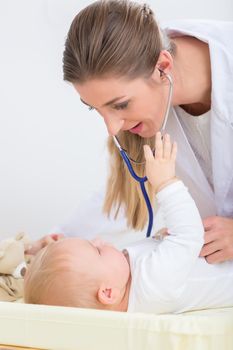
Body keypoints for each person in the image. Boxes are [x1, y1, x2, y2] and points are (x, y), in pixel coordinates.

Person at [59, 0, 233, 264]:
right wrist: (61, 242)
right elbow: (125, 195)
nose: (112, 127)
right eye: (95, 109)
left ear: (163, 66)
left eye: (120, 105)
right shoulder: (148, 114)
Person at [24, 133, 233, 313]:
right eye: (97, 251)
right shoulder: (152, 284)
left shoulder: (125, 279)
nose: (99, 241)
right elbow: (190, 236)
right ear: (108, 293)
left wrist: (161, 240)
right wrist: (165, 183)